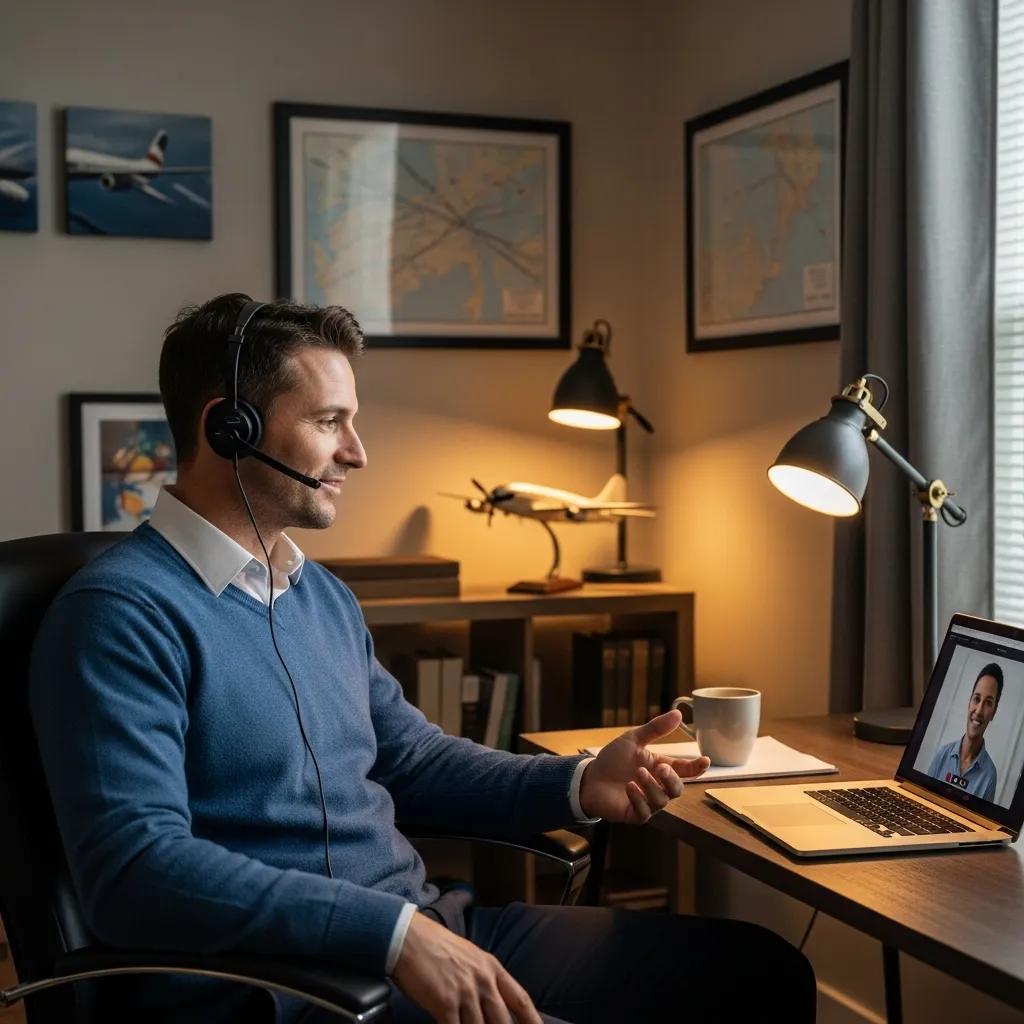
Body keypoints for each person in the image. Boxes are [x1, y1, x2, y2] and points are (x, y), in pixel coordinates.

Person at [29, 294, 817, 1023]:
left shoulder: (319, 595)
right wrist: (394, 933)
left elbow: (411, 760)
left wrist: (576, 782)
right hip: (290, 989)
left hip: (426, 931)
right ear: (228, 427)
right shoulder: (121, 616)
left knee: (759, 972)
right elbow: (135, 872)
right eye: (330, 421)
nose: (358, 453)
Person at [926, 663, 1002, 803]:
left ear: (994, 712)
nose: (979, 711)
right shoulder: (942, 754)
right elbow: (922, 799)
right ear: (969, 702)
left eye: (988, 703)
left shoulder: (990, 775)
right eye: (977, 699)